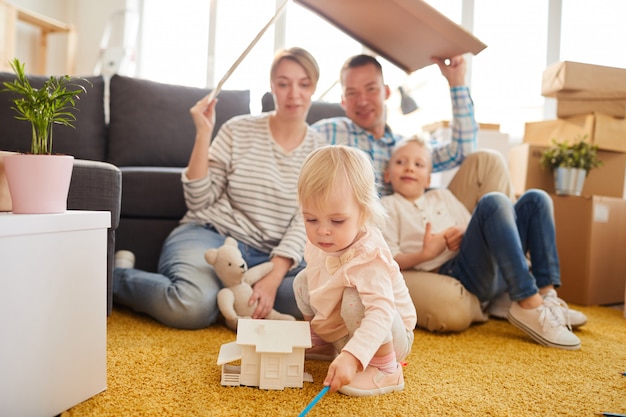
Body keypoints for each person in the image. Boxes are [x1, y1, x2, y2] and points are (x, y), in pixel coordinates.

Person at [112, 47, 326, 329]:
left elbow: (305, 220)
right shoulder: (238, 129)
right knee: (191, 307)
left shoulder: (319, 150)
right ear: (272, 86)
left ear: (314, 87)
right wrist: (203, 133)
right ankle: (115, 276)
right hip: (211, 237)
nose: (293, 93)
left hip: (271, 258)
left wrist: (273, 278)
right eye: (283, 83)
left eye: (304, 83)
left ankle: (228, 300)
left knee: (312, 302)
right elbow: (199, 201)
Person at [380, 136, 587, 350]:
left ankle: (546, 299)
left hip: (478, 261)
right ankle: (527, 301)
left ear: (429, 179)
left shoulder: (442, 196)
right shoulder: (387, 206)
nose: (409, 169)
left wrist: (462, 230)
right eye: (400, 162)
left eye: (418, 164)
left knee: (537, 199)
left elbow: (475, 224)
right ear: (387, 175)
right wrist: (425, 254)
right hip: (454, 272)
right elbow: (391, 259)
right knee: (493, 201)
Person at [293, 145, 417, 397]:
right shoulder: (322, 241)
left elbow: (381, 313)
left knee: (353, 298)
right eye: (311, 219)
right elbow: (319, 285)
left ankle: (385, 368)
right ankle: (320, 339)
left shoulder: (369, 256)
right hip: (345, 326)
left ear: (364, 213)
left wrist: (351, 357)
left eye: (337, 221)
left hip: (390, 337)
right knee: (302, 280)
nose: (322, 231)